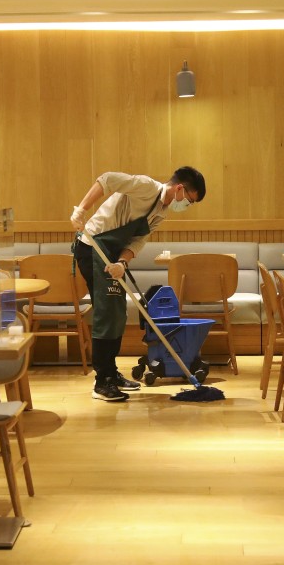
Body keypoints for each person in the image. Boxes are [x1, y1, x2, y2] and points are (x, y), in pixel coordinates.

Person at [70, 166, 206, 402]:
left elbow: (137, 241)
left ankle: (111, 373)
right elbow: (107, 179)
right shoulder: (146, 187)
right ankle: (102, 381)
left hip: (113, 256)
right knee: (106, 314)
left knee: (118, 313)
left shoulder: (161, 213)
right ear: (180, 188)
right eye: (190, 201)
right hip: (92, 248)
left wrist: (122, 263)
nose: (187, 206)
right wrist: (81, 210)